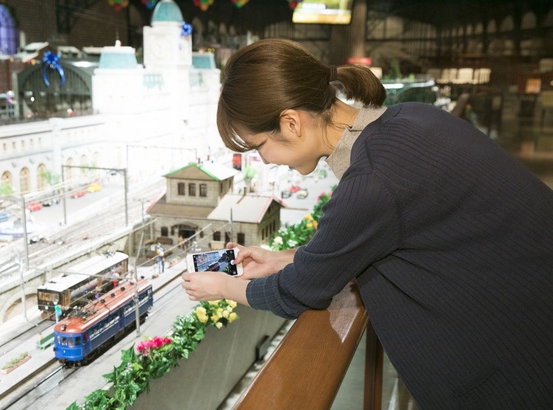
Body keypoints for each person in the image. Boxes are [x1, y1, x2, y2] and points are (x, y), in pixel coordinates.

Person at [181, 38, 553, 409]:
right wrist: (281, 258)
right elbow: (383, 236)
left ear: (291, 122)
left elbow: (298, 293)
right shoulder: (411, 118)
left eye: (258, 145)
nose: (263, 160)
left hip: (514, 375)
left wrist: (222, 286)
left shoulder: (372, 179)